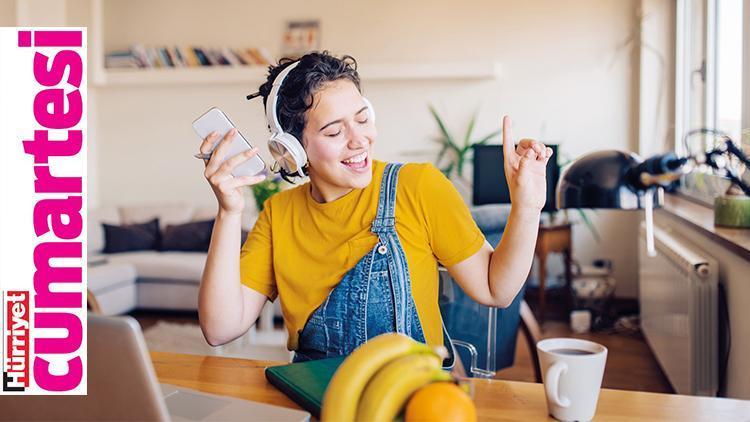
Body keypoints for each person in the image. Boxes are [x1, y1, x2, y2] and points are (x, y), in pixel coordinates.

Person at [197, 51, 552, 366]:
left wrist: (528, 204)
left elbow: (496, 290)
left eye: (363, 119)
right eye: (335, 132)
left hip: (413, 397)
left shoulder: (419, 186)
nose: (359, 140)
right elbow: (219, 329)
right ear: (291, 150)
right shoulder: (278, 215)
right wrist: (228, 211)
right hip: (319, 398)